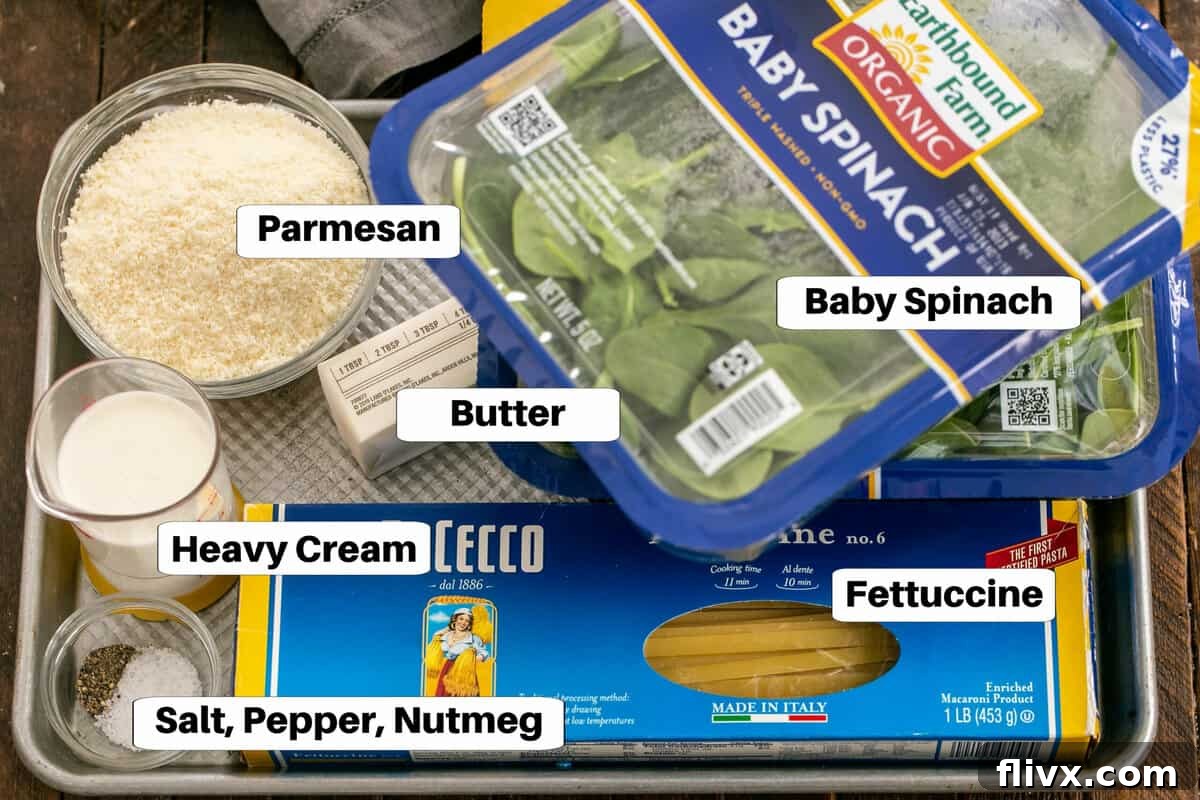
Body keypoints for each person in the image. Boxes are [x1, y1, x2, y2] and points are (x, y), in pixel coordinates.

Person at [430, 608, 490, 696]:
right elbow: (436, 636)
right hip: (448, 668)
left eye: (467, 621)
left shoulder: (473, 638)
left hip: (465, 671)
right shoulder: (447, 635)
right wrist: (448, 628)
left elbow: (484, 653)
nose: (463, 623)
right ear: (455, 619)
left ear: (469, 624)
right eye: (461, 619)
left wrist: (474, 657)